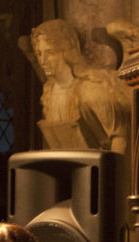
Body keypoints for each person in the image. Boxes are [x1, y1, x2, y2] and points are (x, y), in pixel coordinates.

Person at [23, 19, 131, 153]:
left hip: (105, 167)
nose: (43, 61)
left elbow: (121, 137)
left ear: (67, 51)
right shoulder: (48, 95)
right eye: (39, 53)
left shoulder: (91, 91)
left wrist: (108, 172)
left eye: (50, 52)